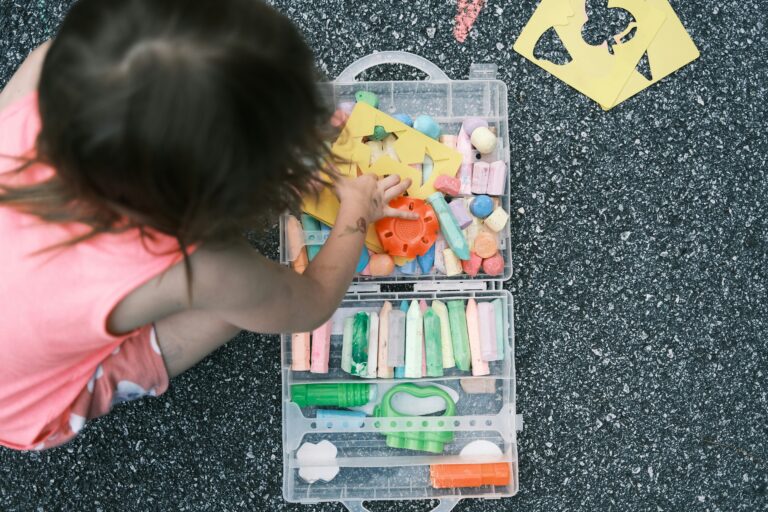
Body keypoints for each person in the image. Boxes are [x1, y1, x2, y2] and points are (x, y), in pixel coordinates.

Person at [0, 0, 413, 450]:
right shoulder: (205, 266)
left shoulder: (46, 69)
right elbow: (310, 303)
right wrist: (356, 212)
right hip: (21, 405)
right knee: (236, 307)